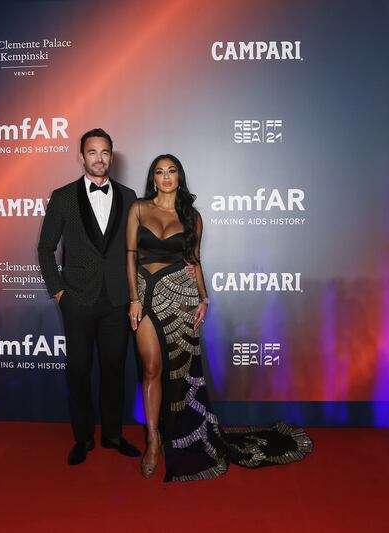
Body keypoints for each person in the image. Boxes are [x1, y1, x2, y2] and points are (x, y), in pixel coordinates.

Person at [126, 154, 313, 481]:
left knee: (177, 375)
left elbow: (194, 260)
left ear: (179, 177)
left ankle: (172, 435)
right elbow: (129, 255)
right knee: (151, 367)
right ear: (153, 178)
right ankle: (152, 441)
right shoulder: (139, 209)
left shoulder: (192, 216)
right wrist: (133, 298)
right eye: (159, 172)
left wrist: (204, 297)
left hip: (180, 297)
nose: (166, 177)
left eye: (172, 171)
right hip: (144, 295)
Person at [38, 128, 141, 465]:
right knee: (79, 371)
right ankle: (83, 438)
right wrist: (58, 291)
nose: (100, 158)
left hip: (116, 300)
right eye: (93, 152)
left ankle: (112, 434)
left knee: (114, 370)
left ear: (112, 155)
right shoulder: (63, 196)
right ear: (81, 157)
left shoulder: (128, 196)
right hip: (77, 301)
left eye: (105, 152)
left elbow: (136, 249)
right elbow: (45, 248)